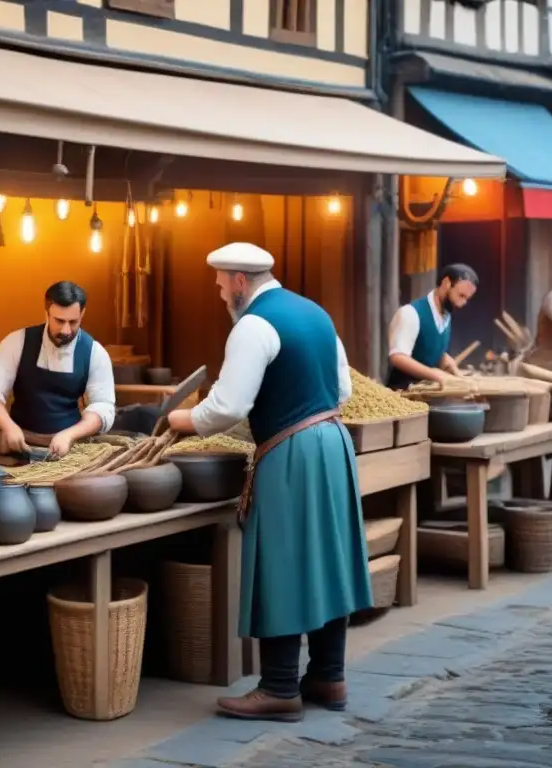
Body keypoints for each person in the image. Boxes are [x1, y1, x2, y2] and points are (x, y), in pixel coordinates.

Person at [166, 242, 372, 723]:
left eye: (221, 285)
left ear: (240, 281)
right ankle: (329, 675)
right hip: (332, 442)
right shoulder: (316, 313)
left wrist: (178, 418)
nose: (220, 295)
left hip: (291, 452)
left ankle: (279, 686)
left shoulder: (252, 325)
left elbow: (227, 407)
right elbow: (342, 389)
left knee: (280, 562)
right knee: (326, 560)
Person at [0, 281, 115, 458]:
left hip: (68, 448)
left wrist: (70, 435)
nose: (66, 330)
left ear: (83, 314)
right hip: (18, 445)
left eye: (73, 322)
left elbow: (103, 407)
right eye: (59, 321)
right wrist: (8, 427)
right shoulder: (16, 342)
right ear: (46, 313)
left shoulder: (95, 353)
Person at [386, 263, 479, 390]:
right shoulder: (410, 313)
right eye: (461, 296)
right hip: (402, 394)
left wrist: (447, 363)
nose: (462, 304)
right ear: (446, 283)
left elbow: (427, 347)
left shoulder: (446, 316)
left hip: (426, 393)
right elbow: (398, 357)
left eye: (467, 299)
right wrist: (436, 375)